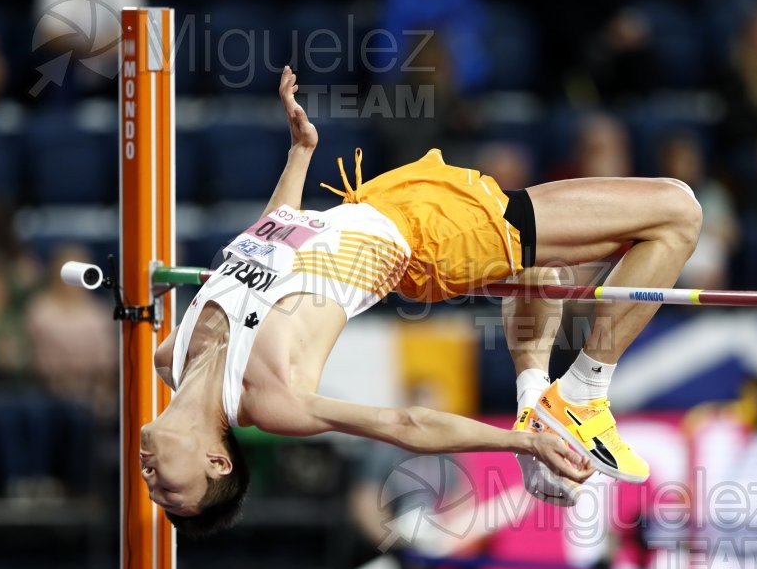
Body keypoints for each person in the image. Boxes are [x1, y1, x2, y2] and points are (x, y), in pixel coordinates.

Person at [142, 67, 702, 537]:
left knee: (538, 266)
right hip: (434, 236)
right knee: (677, 212)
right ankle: (582, 394)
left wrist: (300, 154)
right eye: (172, 489)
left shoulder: (172, 354)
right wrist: (521, 443)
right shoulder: (270, 401)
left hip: (393, 204)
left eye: (156, 490)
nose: (150, 482)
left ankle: (539, 397)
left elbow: (273, 234)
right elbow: (405, 424)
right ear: (218, 461)